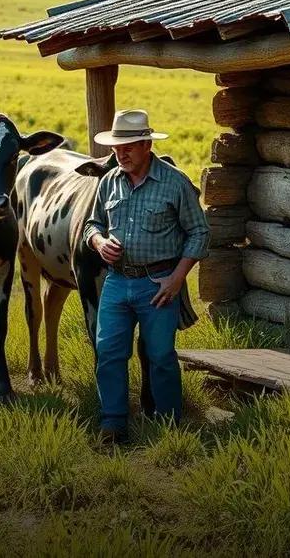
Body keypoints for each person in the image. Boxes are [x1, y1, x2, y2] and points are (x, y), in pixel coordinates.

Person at [83, 109, 210, 444]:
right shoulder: (108, 181)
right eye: (116, 148)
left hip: (159, 284)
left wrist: (177, 278)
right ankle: (113, 423)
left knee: (161, 356)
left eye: (128, 147)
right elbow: (91, 224)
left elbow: (199, 233)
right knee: (108, 351)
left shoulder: (175, 183)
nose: (120, 154)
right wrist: (98, 242)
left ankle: (169, 424)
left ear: (146, 145)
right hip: (116, 281)